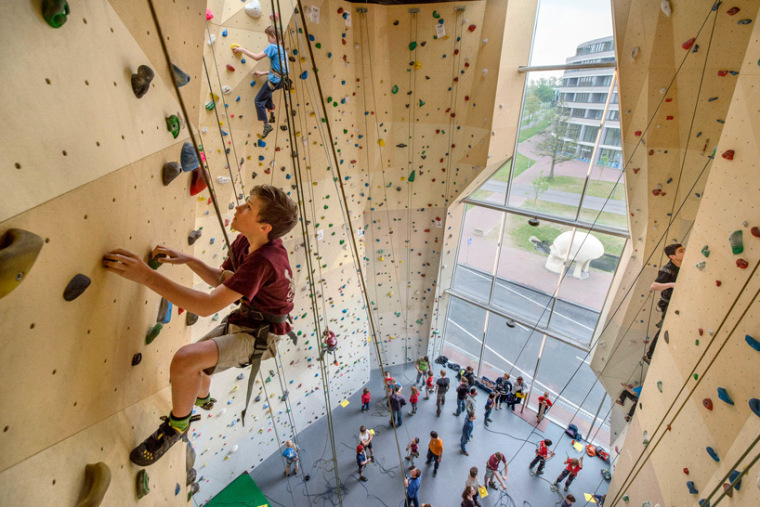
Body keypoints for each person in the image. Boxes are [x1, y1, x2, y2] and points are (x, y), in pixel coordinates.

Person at [103, 185, 298, 466]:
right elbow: (224, 279)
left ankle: (177, 426)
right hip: (250, 319)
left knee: (186, 360)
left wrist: (145, 276)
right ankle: (203, 398)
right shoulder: (248, 241)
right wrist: (188, 260)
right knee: (200, 363)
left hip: (261, 336)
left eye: (248, 208)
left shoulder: (263, 262)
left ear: (264, 226)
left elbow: (206, 306)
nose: (238, 208)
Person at [232, 26, 289, 139]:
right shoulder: (282, 50)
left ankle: (267, 126)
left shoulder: (273, 47)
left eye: (268, 37)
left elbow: (257, 57)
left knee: (258, 101)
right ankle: (272, 113)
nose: (268, 40)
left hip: (274, 81)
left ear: (273, 37)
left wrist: (241, 50)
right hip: (282, 81)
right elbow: (280, 70)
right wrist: (263, 73)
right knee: (267, 92)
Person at [646, 243, 684, 363]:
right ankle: (650, 355)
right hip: (669, 303)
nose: (685, 253)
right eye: (681, 251)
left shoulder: (685, 264)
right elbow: (654, 286)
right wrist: (672, 284)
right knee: (665, 327)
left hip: (679, 301)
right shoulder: (667, 269)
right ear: (672, 257)